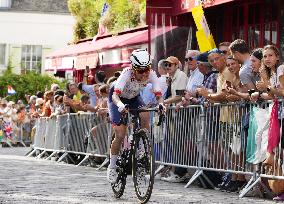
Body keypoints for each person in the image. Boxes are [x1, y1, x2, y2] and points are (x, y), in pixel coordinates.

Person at [107, 49, 164, 183]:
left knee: (145, 115)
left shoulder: (151, 74)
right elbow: (115, 95)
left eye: (147, 70)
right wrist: (120, 105)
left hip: (133, 97)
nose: (144, 74)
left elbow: (159, 95)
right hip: (117, 98)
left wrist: (161, 105)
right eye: (140, 71)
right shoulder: (126, 74)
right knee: (120, 135)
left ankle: (142, 150)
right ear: (133, 69)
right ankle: (112, 166)